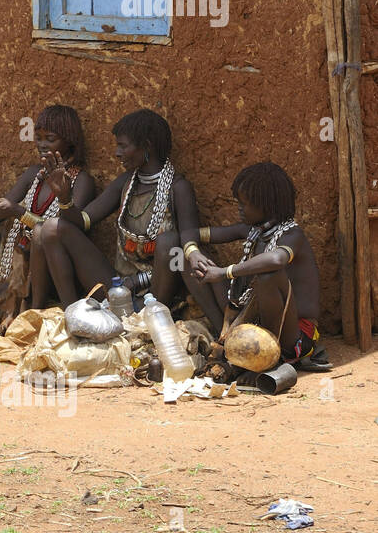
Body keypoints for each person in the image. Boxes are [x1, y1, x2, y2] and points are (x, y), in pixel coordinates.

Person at [0, 106, 96, 331]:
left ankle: (31, 310)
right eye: (38, 138)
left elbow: (66, 230)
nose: (41, 144)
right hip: (11, 260)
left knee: (42, 235)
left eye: (50, 139)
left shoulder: (81, 181)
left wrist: (17, 212)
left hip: (48, 270)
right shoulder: (34, 173)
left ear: (70, 141)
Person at [38, 109, 200, 309]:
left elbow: (184, 251)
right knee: (51, 228)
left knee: (172, 243)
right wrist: (64, 198)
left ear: (146, 145)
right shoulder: (126, 182)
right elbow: (83, 221)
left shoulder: (178, 188)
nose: (117, 153)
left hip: (156, 295)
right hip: (117, 288)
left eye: (122, 146)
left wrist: (138, 282)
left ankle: (148, 316)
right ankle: (72, 312)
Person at [187, 163, 330, 372]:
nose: (239, 209)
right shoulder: (252, 231)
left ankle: (270, 361)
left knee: (268, 276)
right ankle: (226, 339)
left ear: (266, 205)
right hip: (252, 321)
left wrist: (225, 272)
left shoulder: (292, 235)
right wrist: (193, 252)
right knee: (193, 262)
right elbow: (191, 234)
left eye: (244, 204)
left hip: (293, 335)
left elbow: (275, 260)